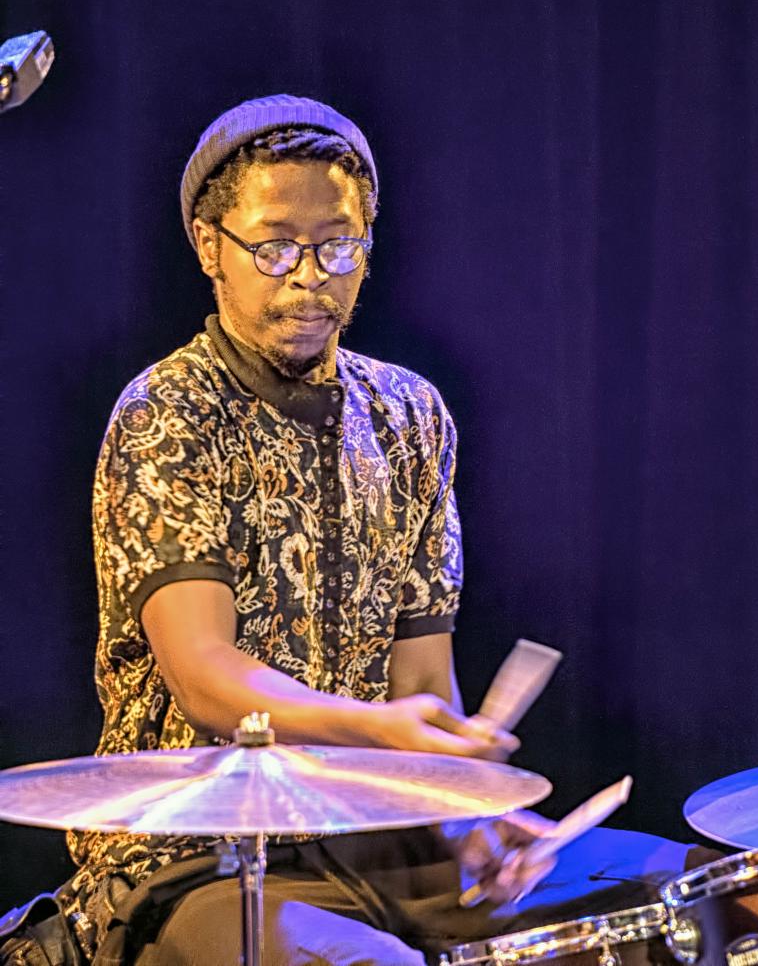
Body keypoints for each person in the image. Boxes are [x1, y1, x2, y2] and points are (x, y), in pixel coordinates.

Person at [53, 94, 552, 965]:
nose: (309, 275)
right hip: (195, 862)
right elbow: (207, 678)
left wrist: (465, 807)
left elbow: (423, 679)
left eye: (338, 246)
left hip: (379, 840)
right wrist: (387, 734)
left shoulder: (410, 415)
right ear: (212, 247)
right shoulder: (169, 412)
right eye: (275, 245)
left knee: (677, 902)